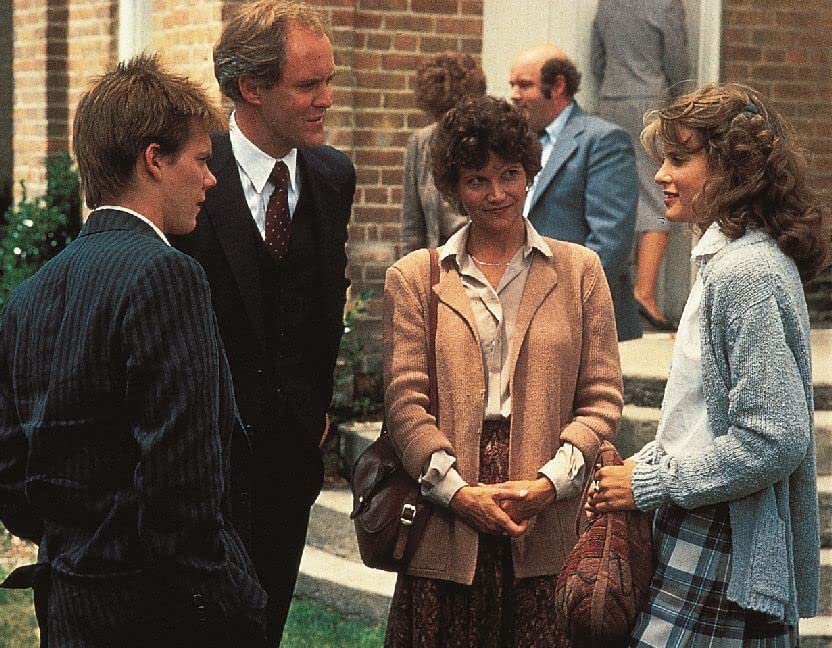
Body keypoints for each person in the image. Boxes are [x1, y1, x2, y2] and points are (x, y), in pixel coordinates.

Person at [0, 54, 267, 647]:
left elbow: (12, 472)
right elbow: (181, 473)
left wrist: (79, 547)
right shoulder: (167, 275)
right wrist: (224, 598)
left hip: (69, 603)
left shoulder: (29, 296)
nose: (211, 180)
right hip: (157, 611)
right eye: (201, 159)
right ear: (154, 160)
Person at [587, 83, 828, 646]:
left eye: (679, 159)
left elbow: (774, 438)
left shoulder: (746, 274)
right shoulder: (725, 262)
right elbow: (699, 418)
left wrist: (648, 482)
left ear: (733, 168)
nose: (661, 176)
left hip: (724, 534)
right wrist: (643, 464)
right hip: (702, 511)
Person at [383, 95, 624, 647]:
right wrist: (457, 493)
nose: (497, 194)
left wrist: (550, 485)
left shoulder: (580, 270)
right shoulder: (416, 277)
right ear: (453, 188)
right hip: (447, 510)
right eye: (477, 180)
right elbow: (404, 402)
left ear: (529, 172)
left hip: (548, 509)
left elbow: (602, 397)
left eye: (510, 174)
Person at [170, 1, 355, 643]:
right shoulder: (192, 175)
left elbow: (324, 301)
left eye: (329, 80)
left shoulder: (332, 175)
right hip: (200, 472)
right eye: (308, 85)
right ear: (252, 87)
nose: (326, 98)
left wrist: (315, 410)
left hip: (289, 466)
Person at [510, 44, 641, 342]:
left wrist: (564, 305)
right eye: (512, 85)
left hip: (580, 315)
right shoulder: (518, 140)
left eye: (525, 85)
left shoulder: (602, 140)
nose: (514, 94)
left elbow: (609, 242)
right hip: (522, 309)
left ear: (558, 86)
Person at [591, 0, 691, 331]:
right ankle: (644, 293)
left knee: (616, 195)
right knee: (658, 193)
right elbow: (677, 63)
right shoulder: (666, 4)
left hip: (610, 101)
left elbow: (597, 60)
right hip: (650, 101)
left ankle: (614, 293)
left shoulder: (608, 4)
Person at [400, 51, 486, 255]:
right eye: (439, 113)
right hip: (436, 259)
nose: (446, 122)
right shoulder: (420, 143)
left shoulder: (485, 141)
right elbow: (412, 225)